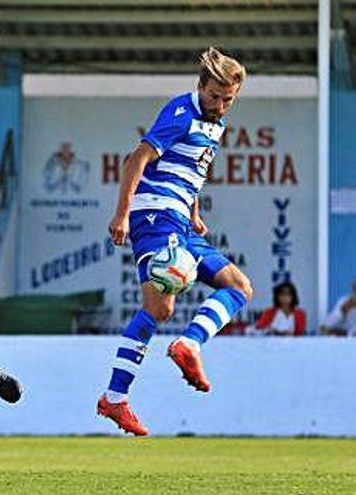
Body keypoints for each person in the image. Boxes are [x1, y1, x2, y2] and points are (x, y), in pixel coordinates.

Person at [98, 47, 254, 436]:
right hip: (153, 216)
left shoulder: (215, 122)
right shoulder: (181, 112)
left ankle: (186, 348)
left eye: (227, 99)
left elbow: (190, 170)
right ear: (200, 86)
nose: (219, 104)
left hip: (181, 220)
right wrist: (121, 214)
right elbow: (137, 159)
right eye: (213, 96)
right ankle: (117, 398)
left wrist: (195, 212)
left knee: (238, 286)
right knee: (160, 307)